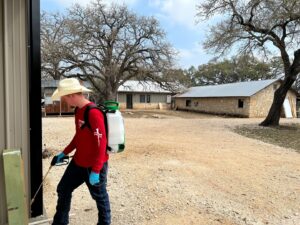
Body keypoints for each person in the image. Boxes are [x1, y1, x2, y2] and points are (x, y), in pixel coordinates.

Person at [50, 78, 111, 225]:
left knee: (100, 197)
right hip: (78, 162)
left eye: (64, 97)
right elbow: (79, 136)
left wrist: (96, 170)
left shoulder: (93, 113)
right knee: (63, 189)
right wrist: (63, 153)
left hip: (94, 166)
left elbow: (101, 144)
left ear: (71, 95)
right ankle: (60, 222)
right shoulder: (78, 111)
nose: (64, 101)